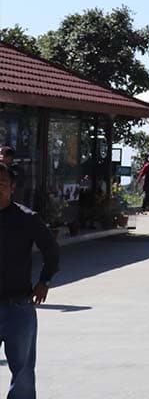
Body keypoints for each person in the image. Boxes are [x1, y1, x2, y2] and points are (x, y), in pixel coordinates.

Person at [0, 164, 58, 397]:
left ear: (12, 187)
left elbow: (51, 251)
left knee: (23, 371)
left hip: (19, 308)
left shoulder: (26, 218)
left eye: (2, 184)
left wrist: (45, 281)